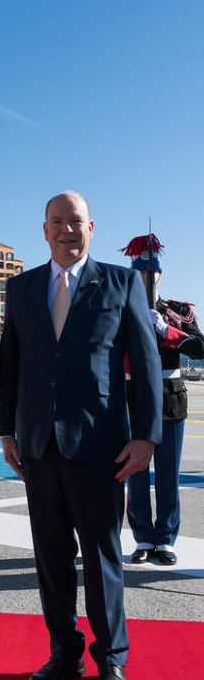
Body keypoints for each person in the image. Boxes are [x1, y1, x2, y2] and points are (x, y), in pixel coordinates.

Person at [0, 192, 162, 680]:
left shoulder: (121, 282)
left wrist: (146, 436)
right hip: (39, 446)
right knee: (51, 557)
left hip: (101, 448)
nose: (67, 230)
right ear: (43, 230)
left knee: (102, 555)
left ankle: (111, 658)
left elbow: (146, 362)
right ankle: (63, 652)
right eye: (57, 222)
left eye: (76, 222)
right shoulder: (21, 288)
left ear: (91, 227)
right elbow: (11, 365)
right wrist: (6, 431)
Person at [121, 235, 204, 566]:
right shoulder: (120, 308)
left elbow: (200, 348)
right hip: (132, 397)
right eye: (141, 272)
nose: (148, 278)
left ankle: (166, 539)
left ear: (161, 275)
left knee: (168, 474)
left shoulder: (179, 311)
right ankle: (143, 538)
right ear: (132, 274)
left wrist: (169, 331)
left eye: (153, 272)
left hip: (169, 397)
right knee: (136, 473)